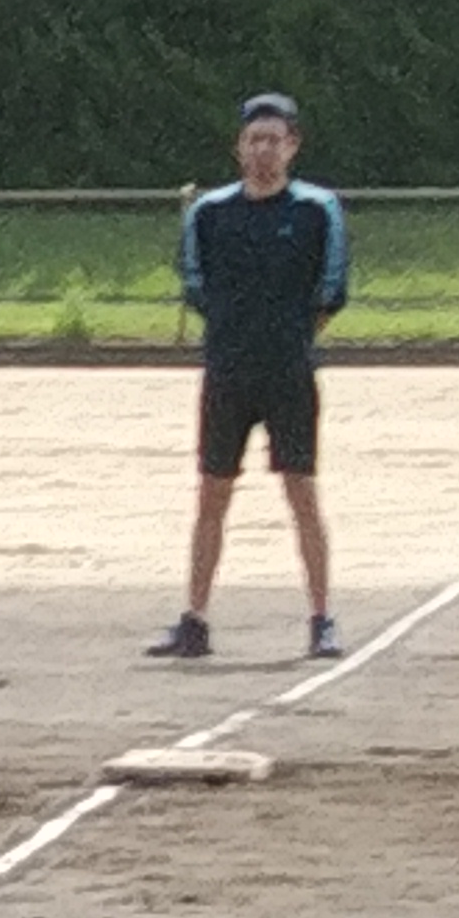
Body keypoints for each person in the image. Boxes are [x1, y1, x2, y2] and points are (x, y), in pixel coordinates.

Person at [159, 92, 350, 662]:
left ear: (292, 146)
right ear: (239, 147)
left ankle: (321, 619)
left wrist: (286, 335)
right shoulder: (210, 213)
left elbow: (332, 288)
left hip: (289, 372)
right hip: (227, 373)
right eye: (254, 139)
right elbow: (195, 284)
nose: (264, 149)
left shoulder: (317, 210)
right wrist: (236, 335)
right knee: (212, 494)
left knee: (301, 492)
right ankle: (194, 620)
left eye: (275, 139)